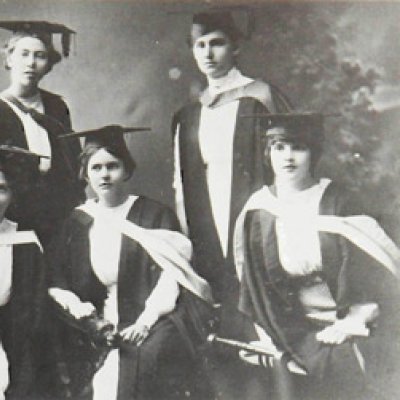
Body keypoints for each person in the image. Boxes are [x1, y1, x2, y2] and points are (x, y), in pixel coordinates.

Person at [233, 112, 400, 400]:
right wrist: (289, 333)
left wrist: (352, 320)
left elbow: (373, 272)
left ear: (313, 153)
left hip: (354, 315)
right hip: (291, 322)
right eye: (279, 147)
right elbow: (257, 289)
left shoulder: (338, 200)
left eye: (299, 147)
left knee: (356, 363)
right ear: (267, 153)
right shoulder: (258, 210)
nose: (288, 157)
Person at [172, 10, 292, 399]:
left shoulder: (261, 97)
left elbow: (290, 166)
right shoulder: (189, 115)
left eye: (217, 42)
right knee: (221, 327)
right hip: (208, 226)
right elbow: (180, 184)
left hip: (256, 222)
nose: (208, 52)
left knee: (262, 315)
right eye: (200, 45)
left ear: (236, 46)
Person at [47, 125, 213, 400]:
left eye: (112, 166)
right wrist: (88, 318)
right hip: (99, 323)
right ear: (85, 174)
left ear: (126, 169)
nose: (104, 175)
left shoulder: (153, 214)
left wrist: (145, 322)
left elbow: (171, 276)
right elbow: (57, 279)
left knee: (144, 363)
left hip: (156, 317)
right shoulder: (77, 221)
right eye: (96, 167)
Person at [0, 21, 83, 245]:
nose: (31, 63)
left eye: (40, 56)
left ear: (48, 64)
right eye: (24, 54)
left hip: (56, 213)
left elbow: (70, 160)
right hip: (14, 216)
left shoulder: (57, 106)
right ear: (9, 59)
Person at [0, 145, 47, 400]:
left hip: (11, 342)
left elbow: (31, 316)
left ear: (13, 195)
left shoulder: (24, 242)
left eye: (1, 189)